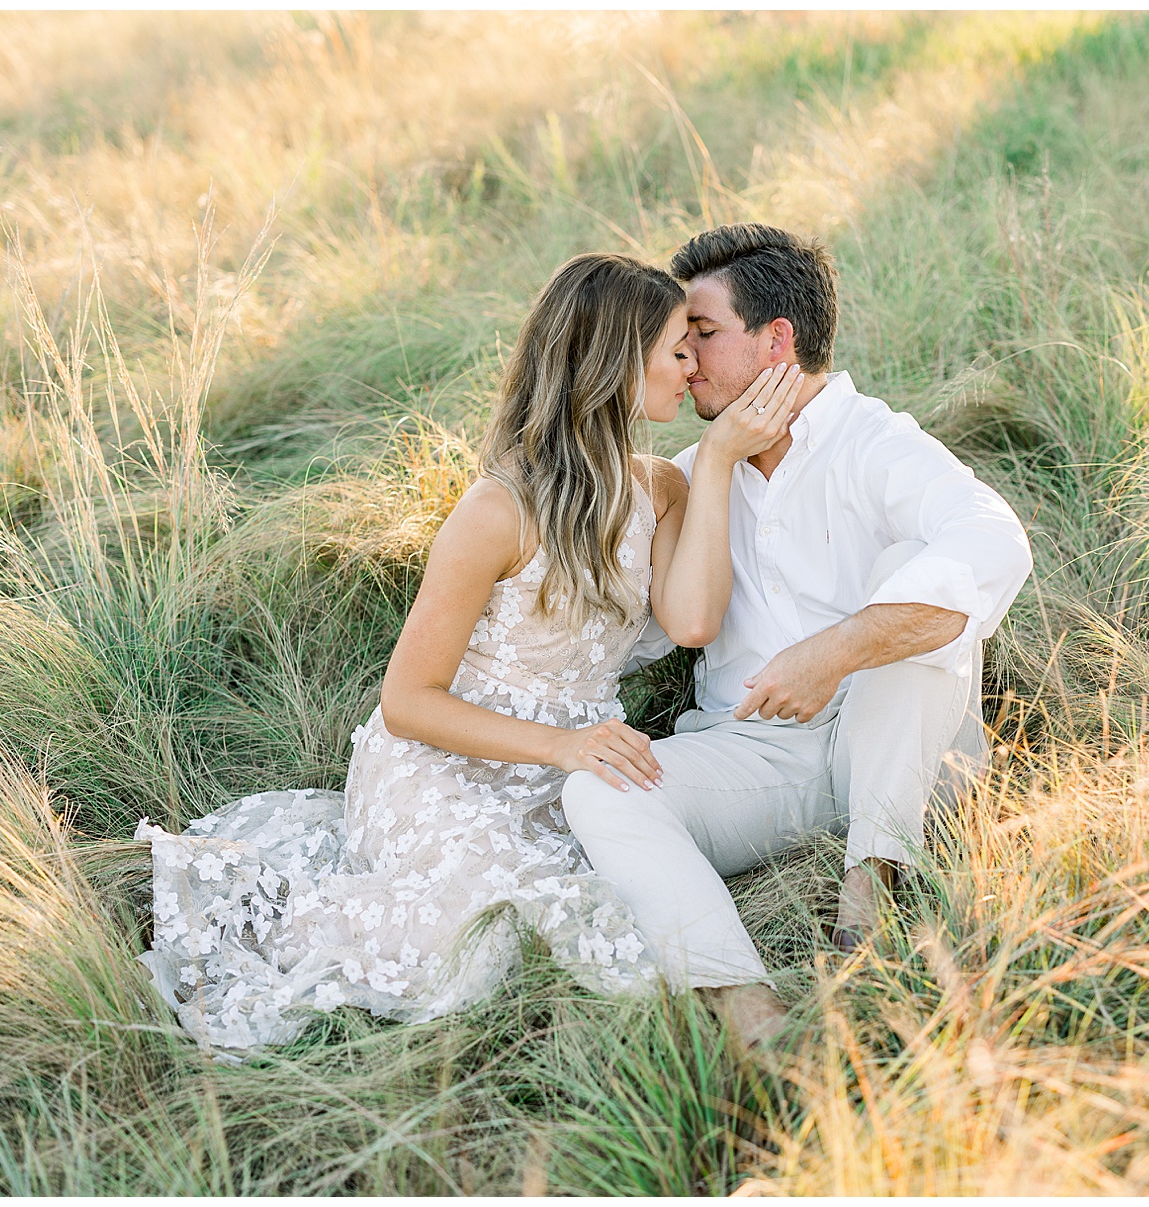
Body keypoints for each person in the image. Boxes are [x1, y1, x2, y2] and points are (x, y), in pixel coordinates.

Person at [136, 252, 807, 1051]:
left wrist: (723, 459)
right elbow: (408, 699)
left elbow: (693, 621)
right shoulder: (498, 509)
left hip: (577, 767)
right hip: (446, 758)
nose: (691, 362)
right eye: (674, 348)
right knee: (489, 923)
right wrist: (562, 742)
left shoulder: (661, 487)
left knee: (619, 900)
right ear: (615, 364)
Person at [559, 224, 1033, 1047]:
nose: (685, 359)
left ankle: (869, 893)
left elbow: (994, 540)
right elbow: (654, 623)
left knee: (914, 578)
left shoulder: (877, 443)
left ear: (777, 340)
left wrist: (838, 649)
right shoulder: (696, 467)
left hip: (891, 746)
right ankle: (757, 1021)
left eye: (702, 334)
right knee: (595, 790)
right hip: (755, 755)